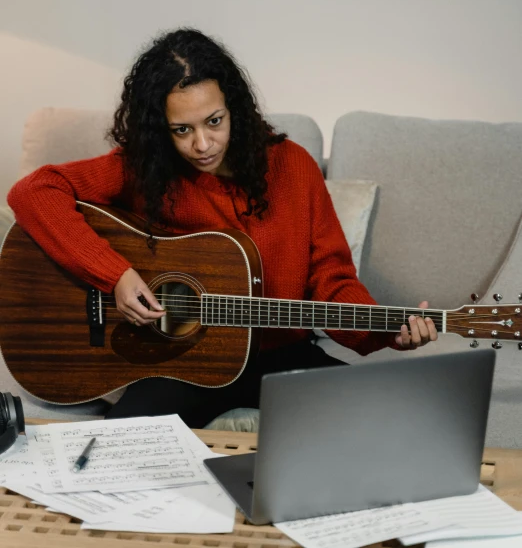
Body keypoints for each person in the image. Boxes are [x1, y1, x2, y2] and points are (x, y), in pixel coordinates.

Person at [8, 29, 438, 426]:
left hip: (283, 357)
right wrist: (115, 274)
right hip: (181, 362)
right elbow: (34, 192)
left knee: (386, 416)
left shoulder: (293, 167)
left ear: (234, 107)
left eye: (214, 121)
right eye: (182, 129)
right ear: (160, 129)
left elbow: (332, 279)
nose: (201, 144)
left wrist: (387, 332)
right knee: (123, 447)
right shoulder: (148, 169)